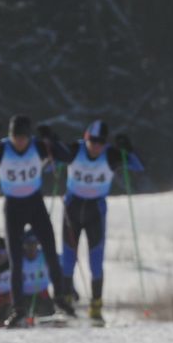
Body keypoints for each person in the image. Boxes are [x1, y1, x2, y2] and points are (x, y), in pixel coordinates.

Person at [0, 115, 77, 317]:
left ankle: (61, 299)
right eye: (16, 138)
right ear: (10, 136)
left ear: (29, 136)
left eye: (23, 138)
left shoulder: (38, 146)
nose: (19, 142)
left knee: (51, 253)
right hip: (13, 207)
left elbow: (67, 156)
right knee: (15, 260)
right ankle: (18, 310)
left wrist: (52, 137)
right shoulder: (1, 149)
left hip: (35, 204)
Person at [58, 120, 145, 324]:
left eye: (100, 142)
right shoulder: (74, 149)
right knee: (68, 259)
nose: (95, 146)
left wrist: (128, 149)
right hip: (72, 208)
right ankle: (66, 302)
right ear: (86, 138)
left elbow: (137, 166)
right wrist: (52, 145)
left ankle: (96, 307)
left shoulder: (111, 154)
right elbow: (50, 163)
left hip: (95, 211)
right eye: (92, 141)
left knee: (96, 262)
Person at [4, 233, 56, 326]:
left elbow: (59, 271)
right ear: (24, 245)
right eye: (28, 244)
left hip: (41, 295)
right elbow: (1, 269)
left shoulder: (44, 255)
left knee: (49, 314)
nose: (31, 248)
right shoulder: (17, 258)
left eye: (34, 244)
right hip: (23, 297)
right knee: (13, 310)